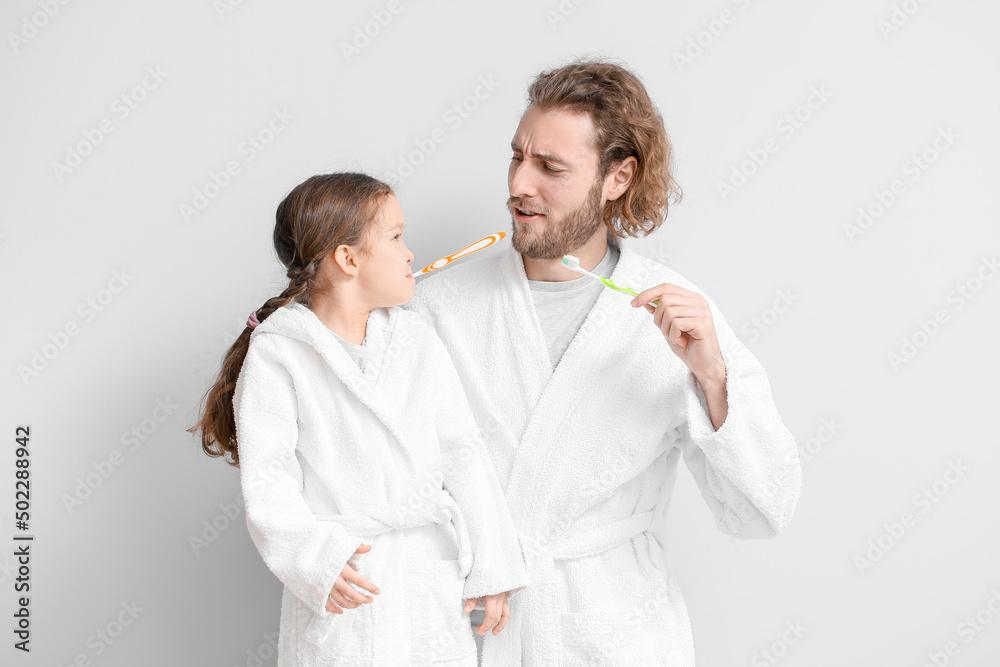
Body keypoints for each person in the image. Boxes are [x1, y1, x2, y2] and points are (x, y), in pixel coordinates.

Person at [404, 59, 803, 665]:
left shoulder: (679, 322)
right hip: (467, 627)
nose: (520, 185)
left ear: (617, 177)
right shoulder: (441, 307)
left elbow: (761, 511)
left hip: (613, 633)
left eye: (551, 168)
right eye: (517, 157)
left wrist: (712, 378)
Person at [188, 172, 528, 666]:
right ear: (348, 259)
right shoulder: (280, 355)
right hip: (348, 578)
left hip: (426, 577)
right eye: (395, 237)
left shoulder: (418, 342)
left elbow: (464, 452)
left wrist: (493, 566)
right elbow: (269, 480)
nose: (410, 253)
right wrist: (316, 560)